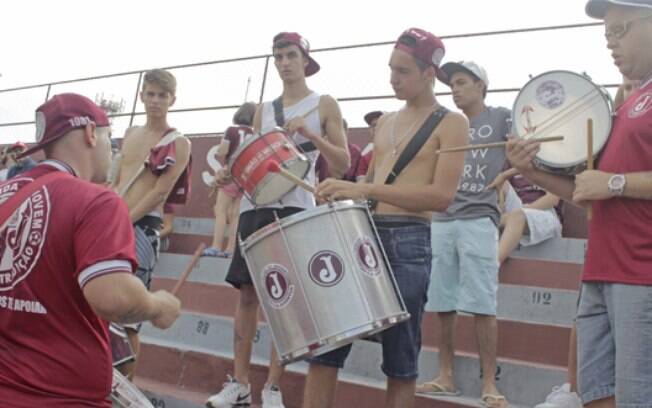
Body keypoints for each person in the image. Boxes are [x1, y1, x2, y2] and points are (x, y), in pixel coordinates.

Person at [305, 28, 468, 408]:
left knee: (400, 361)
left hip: (409, 239)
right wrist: (341, 192)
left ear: (430, 73)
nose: (393, 78)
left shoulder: (451, 122)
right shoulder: (387, 121)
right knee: (326, 349)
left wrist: (365, 190)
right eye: (391, 69)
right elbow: (371, 183)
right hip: (365, 232)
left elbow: (441, 197)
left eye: (403, 71)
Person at [507, 1, 652, 406]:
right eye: (607, 35)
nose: (611, 43)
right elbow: (589, 193)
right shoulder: (623, 103)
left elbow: (608, 186)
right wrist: (532, 172)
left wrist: (615, 182)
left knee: (638, 397)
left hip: (642, 274)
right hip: (602, 269)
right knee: (596, 395)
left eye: (621, 30)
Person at [0, 93, 180, 407]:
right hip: (61, 395)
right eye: (110, 136)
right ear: (90, 133)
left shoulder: (4, 193)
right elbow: (113, 297)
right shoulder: (96, 200)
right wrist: (158, 306)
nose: (113, 150)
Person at [206, 32, 349, 408]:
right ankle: (239, 383)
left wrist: (312, 134)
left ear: (305, 59)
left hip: (298, 207)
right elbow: (253, 162)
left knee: (282, 298)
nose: (284, 63)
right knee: (248, 296)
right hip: (256, 206)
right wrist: (230, 175)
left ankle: (272, 386)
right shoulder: (262, 110)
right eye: (278, 56)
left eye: (290, 55)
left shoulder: (325, 103)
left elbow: (345, 163)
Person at [416, 60, 510, 408]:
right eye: (451, 84)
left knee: (483, 301)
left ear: (481, 85)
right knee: (442, 300)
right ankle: (445, 376)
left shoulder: (501, 116)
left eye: (461, 82)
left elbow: (529, 146)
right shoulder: (443, 122)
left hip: (479, 217)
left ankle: (489, 382)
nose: (454, 89)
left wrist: (507, 174)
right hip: (442, 218)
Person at [111, 68, 192, 379]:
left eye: (163, 95)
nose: (156, 101)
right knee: (102, 306)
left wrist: (123, 220)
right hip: (114, 221)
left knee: (130, 315)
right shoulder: (131, 134)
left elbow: (160, 191)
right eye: (151, 94)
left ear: (173, 99)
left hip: (142, 227)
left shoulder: (178, 142)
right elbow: (115, 180)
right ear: (142, 96)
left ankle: (126, 388)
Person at [203, 102, 256, 258]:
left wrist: (221, 149)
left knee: (220, 210)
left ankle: (216, 246)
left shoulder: (231, 130)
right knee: (236, 214)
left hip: (230, 172)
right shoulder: (254, 133)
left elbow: (223, 150)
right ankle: (231, 249)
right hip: (246, 175)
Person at [488, 167, 562, 264]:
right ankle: (499, 222)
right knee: (501, 181)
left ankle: (491, 266)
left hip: (545, 213)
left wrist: (527, 208)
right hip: (519, 208)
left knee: (517, 216)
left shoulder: (547, 163)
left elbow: (553, 199)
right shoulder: (511, 163)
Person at [357, 110, 383, 181]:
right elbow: (361, 183)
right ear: (370, 130)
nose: (376, 128)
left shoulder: (398, 152)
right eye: (373, 125)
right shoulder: (365, 158)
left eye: (380, 125)